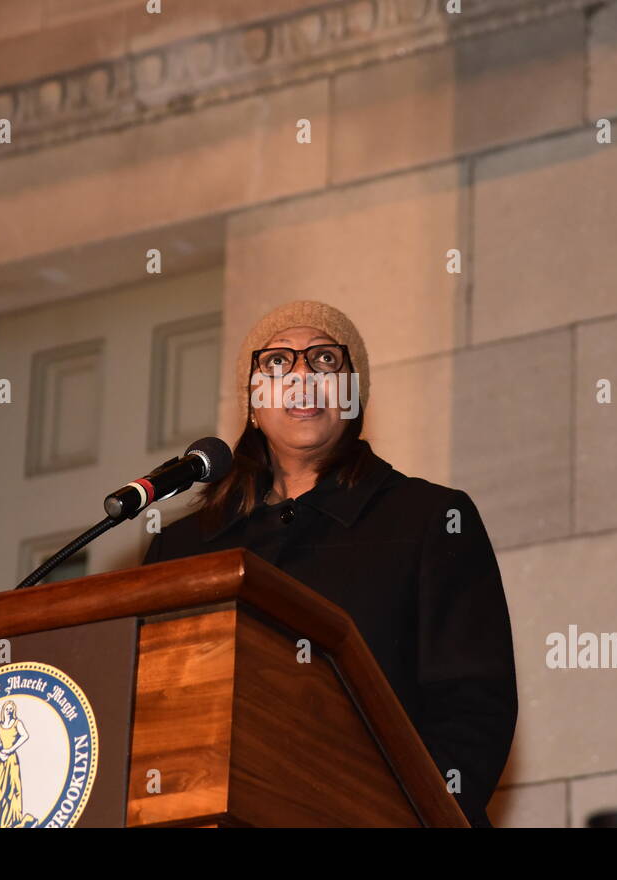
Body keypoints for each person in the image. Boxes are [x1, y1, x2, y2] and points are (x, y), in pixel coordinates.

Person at [142, 300, 517, 827]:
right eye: (276, 363)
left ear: (353, 396)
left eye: (323, 361)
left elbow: (472, 711)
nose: (300, 377)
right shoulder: (182, 547)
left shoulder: (429, 519)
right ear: (252, 401)